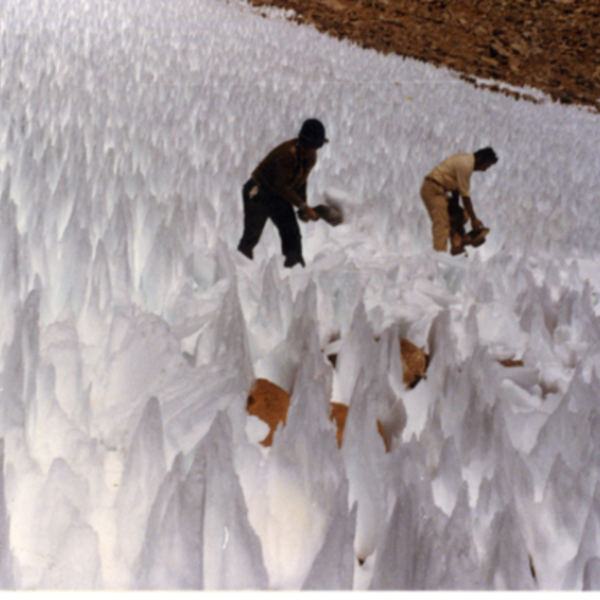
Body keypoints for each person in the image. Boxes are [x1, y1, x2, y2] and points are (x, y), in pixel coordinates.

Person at [237, 119, 328, 268]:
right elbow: (283, 187)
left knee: (292, 234)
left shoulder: (311, 158)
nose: (309, 151)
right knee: (252, 236)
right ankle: (238, 271)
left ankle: (295, 270)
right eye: (306, 147)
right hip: (259, 191)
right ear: (300, 140)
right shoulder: (287, 154)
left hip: (277, 194)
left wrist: (302, 208)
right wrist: (305, 207)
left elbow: (300, 182)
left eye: (313, 148)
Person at [420, 147, 498, 255]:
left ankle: (458, 243)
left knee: (462, 216)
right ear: (480, 159)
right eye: (486, 166)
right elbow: (465, 197)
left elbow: (456, 190)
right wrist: (474, 219)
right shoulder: (466, 164)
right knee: (442, 224)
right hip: (433, 189)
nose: (485, 169)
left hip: (440, 190)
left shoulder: (465, 162)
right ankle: (438, 257)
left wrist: (455, 210)